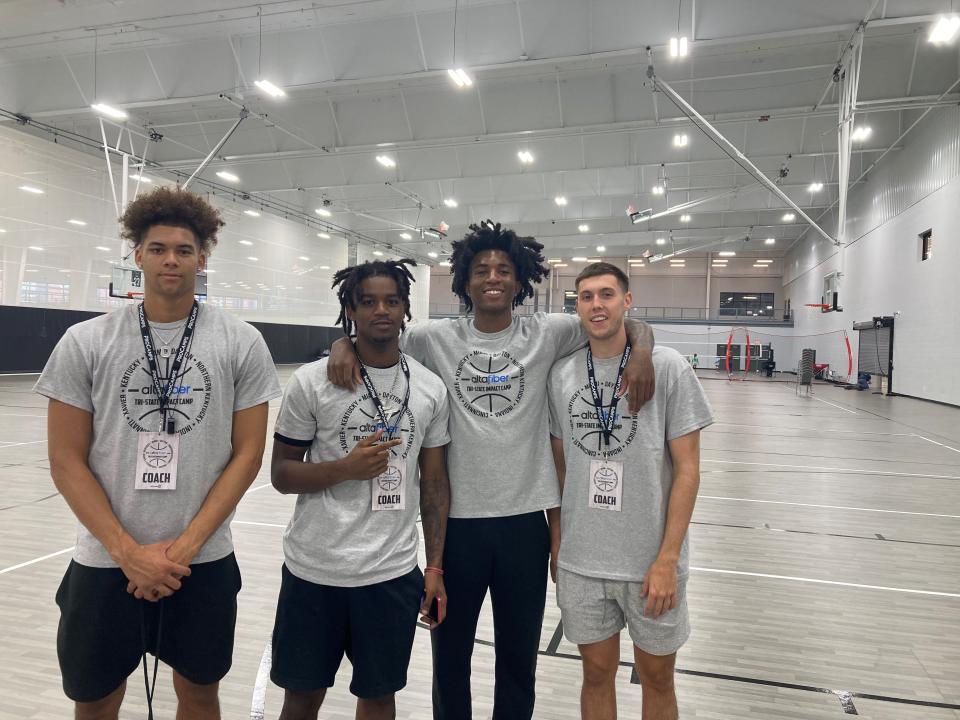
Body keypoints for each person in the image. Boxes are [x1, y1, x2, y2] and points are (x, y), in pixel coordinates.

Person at [327, 223, 656, 720]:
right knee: (450, 660)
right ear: (464, 280)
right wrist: (342, 345)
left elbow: (625, 324)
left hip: (526, 526)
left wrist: (644, 351)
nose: (493, 278)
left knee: (518, 661)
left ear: (520, 278)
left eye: (504, 269)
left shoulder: (550, 332)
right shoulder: (436, 337)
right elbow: (377, 335)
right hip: (457, 529)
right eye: (481, 270)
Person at [35, 186, 281, 719]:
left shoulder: (242, 342)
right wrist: (128, 553)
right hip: (104, 560)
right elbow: (65, 460)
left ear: (203, 257)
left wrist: (183, 550)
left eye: (185, 250)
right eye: (159, 248)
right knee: (96, 698)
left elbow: (248, 454)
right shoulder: (85, 341)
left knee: (198, 693)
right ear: (137, 254)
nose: (172, 259)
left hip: (203, 562)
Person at [269, 259, 451, 720]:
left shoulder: (429, 388)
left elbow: (433, 483)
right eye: (367, 301)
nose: (381, 311)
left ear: (407, 307)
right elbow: (282, 474)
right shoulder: (312, 382)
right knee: (302, 697)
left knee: (378, 698)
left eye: (392, 300)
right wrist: (345, 469)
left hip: (389, 574)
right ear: (350, 309)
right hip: (314, 572)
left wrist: (433, 567)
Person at [547, 262, 714, 720]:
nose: (596, 305)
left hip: (650, 564)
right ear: (576, 305)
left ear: (627, 301)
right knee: (595, 677)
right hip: (583, 562)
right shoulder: (560, 375)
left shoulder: (669, 368)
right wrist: (558, 539)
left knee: (657, 680)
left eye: (606, 294)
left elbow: (688, 471)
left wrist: (667, 558)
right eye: (586, 296)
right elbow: (560, 467)